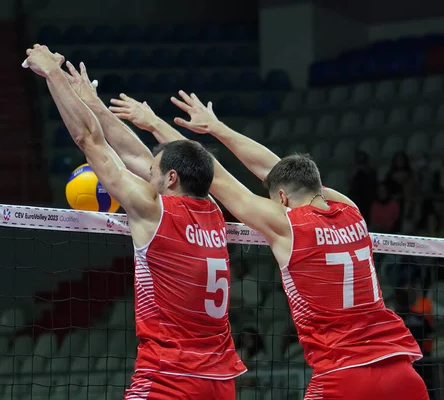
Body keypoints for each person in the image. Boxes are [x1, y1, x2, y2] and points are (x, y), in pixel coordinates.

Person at [109, 91, 428, 399]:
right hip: (403, 371)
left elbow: (216, 178)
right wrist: (217, 128)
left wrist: (155, 125)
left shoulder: (289, 226)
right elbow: (274, 170)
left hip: (344, 376)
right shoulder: (352, 212)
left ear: (282, 198)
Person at [23, 46, 245, 399]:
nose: (146, 173)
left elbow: (89, 140)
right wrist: (94, 104)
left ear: (171, 178)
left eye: (153, 172)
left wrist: (52, 74)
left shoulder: (154, 211)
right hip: (220, 382)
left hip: (168, 378)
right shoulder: (214, 212)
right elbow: (134, 154)